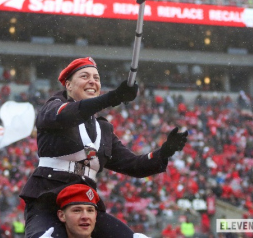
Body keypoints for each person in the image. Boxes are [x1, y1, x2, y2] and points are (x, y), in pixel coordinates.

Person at [19, 57, 188, 238]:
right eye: (85, 76)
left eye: (96, 78)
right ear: (68, 85)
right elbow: (70, 114)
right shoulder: (52, 108)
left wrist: (165, 151)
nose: (92, 81)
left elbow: (134, 165)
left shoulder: (103, 128)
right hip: (47, 199)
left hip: (85, 204)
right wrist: (113, 97)